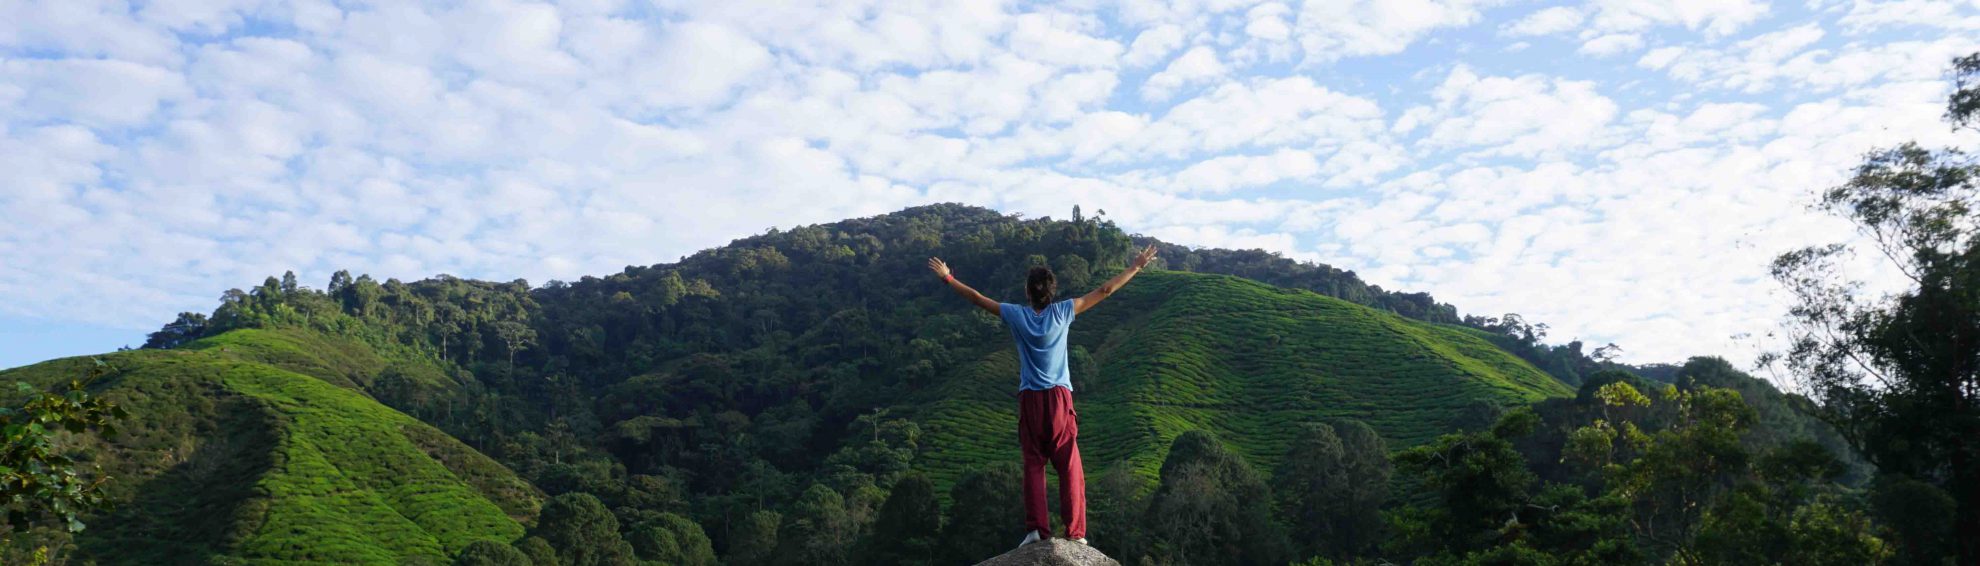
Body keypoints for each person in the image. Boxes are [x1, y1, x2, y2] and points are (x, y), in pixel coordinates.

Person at [927, 244, 1160, 549]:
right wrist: (1136, 266)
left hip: (1030, 399)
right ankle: (1075, 532)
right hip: (1060, 398)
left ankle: (1037, 529)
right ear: (1052, 292)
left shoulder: (1016, 315)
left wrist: (947, 277)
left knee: (1034, 464)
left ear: (1028, 292)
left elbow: (977, 298)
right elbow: (1104, 291)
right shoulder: (1064, 311)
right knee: (1069, 464)